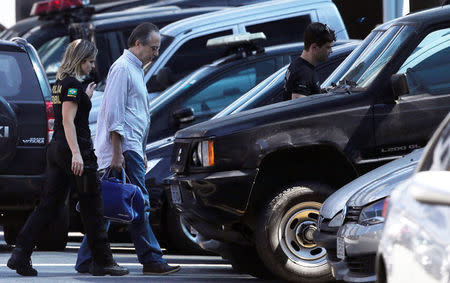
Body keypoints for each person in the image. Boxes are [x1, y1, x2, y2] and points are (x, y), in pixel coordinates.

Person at [7, 39, 129, 277]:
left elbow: (71, 110)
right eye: (90, 61)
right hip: (75, 150)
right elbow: (67, 120)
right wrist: (76, 154)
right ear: (80, 60)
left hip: (57, 150)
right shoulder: (72, 85)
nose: (92, 66)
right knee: (93, 205)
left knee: (49, 205)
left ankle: (20, 253)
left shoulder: (62, 82)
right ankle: (103, 261)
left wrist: (86, 97)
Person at [75, 22, 181, 275]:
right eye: (153, 48)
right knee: (136, 203)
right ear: (138, 44)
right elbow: (115, 113)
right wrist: (118, 152)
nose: (155, 54)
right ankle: (152, 259)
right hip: (123, 148)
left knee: (110, 205)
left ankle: (86, 259)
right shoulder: (123, 68)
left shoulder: (134, 69)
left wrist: (140, 151)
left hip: (131, 147)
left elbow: (136, 115)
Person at [284, 22, 336, 100]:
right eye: (328, 47)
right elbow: (299, 107)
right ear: (314, 47)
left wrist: (322, 92)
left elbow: (307, 94)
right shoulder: (303, 72)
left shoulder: (298, 65)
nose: (331, 51)